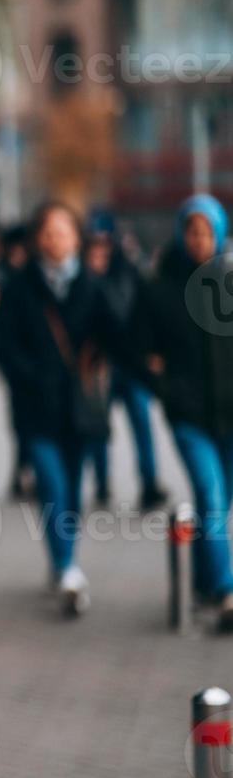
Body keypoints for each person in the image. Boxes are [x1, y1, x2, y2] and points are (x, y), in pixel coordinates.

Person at [0, 202, 121, 617]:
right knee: (51, 484)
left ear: (77, 238)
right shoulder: (18, 286)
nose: (55, 240)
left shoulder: (92, 284)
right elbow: (2, 345)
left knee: (70, 490)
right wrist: (30, 377)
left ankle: (62, 560)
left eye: (63, 232)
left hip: (79, 409)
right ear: (36, 239)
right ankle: (68, 567)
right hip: (35, 408)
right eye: (48, 233)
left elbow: (115, 334)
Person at [136, 194, 233, 631]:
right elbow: (138, 348)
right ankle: (226, 592)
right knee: (210, 496)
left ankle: (201, 581)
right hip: (189, 417)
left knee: (219, 504)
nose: (200, 240)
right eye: (192, 231)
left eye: (208, 231)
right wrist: (165, 389)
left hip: (230, 416)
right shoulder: (159, 288)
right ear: (180, 233)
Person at [84, 209, 167, 511]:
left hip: (132, 365)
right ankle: (102, 485)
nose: (100, 249)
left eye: (105, 242)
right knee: (98, 428)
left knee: (142, 425)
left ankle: (149, 484)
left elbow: (144, 313)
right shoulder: (82, 279)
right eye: (95, 243)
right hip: (99, 365)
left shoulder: (129, 272)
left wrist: (152, 353)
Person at [0, 223, 36, 501]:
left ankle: (28, 472)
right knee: (20, 420)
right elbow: (0, 333)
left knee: (35, 421)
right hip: (17, 364)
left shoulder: (36, 278)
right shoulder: (6, 279)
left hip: (40, 361)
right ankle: (21, 471)